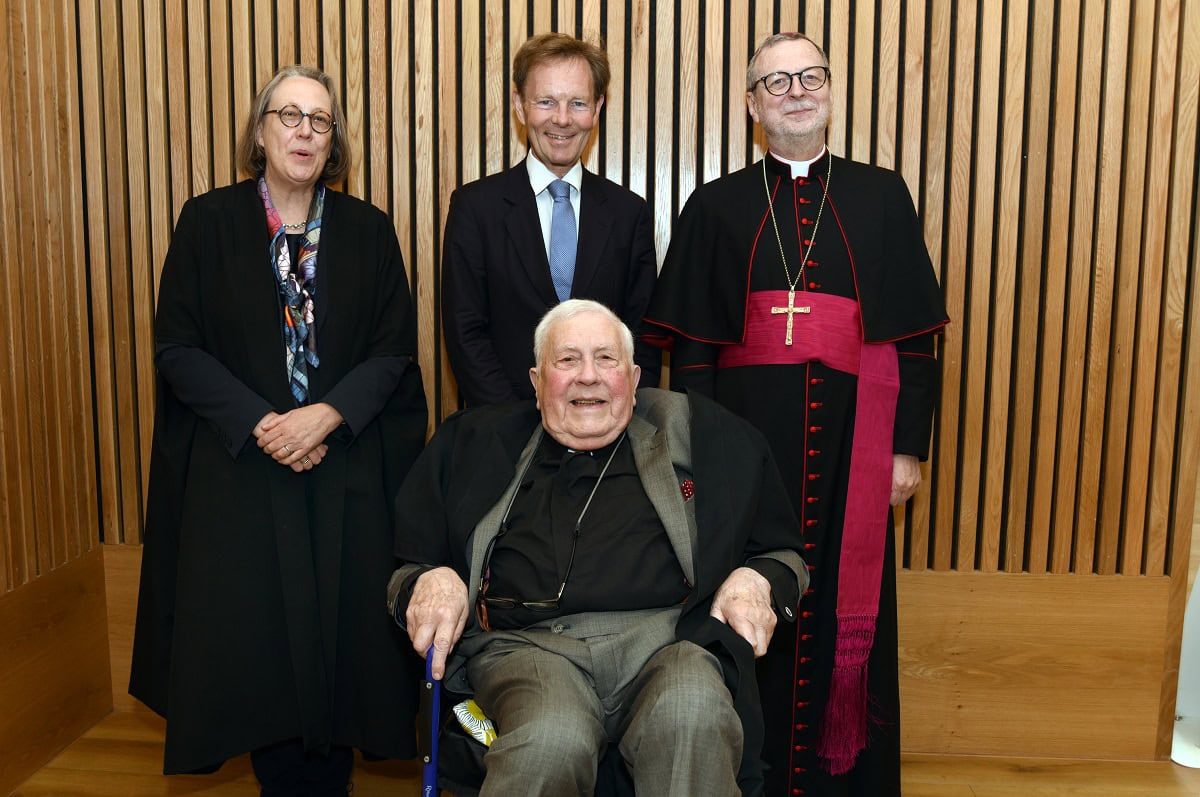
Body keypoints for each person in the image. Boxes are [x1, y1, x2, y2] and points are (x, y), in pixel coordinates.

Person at [642, 33, 949, 796]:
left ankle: (846, 779)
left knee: (850, 597)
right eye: (775, 82)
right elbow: (694, 350)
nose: (796, 91)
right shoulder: (716, 205)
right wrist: (699, 455)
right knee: (744, 594)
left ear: (831, 91)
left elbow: (910, 339)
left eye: (810, 76)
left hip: (856, 440)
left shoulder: (882, 195)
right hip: (748, 446)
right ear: (752, 104)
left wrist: (904, 448)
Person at [129, 64, 428, 795]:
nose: (303, 131)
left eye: (319, 121)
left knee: (340, 659)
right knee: (262, 668)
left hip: (345, 472)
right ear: (259, 132)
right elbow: (176, 347)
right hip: (244, 477)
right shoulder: (208, 222)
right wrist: (264, 422)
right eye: (288, 116)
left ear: (334, 143)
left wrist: (327, 414)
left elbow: (394, 349)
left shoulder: (369, 229)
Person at [388, 299, 807, 796]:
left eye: (606, 359)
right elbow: (408, 566)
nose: (588, 376)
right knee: (550, 740)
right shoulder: (474, 443)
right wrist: (433, 579)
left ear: (632, 379)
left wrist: (754, 578)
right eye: (567, 360)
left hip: (670, 642)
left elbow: (783, 554)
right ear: (536, 380)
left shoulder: (700, 435)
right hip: (529, 650)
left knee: (692, 711)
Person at [442, 33, 660, 406]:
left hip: (604, 434)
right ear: (519, 106)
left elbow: (643, 337)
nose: (562, 119)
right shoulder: (475, 208)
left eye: (577, 103)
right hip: (502, 432)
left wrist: (608, 418)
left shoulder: (629, 213)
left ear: (597, 108)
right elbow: (466, 333)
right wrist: (512, 422)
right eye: (546, 101)